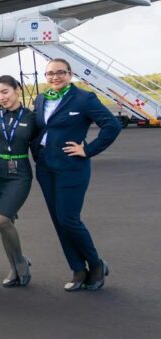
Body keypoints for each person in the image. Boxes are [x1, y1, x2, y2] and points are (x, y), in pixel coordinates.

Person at [34, 58, 121, 292]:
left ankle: (95, 264)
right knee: (57, 220)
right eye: (50, 74)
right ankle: (77, 269)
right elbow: (40, 127)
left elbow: (112, 126)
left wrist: (88, 149)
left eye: (60, 72)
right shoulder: (42, 99)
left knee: (68, 218)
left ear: (70, 74)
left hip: (71, 167)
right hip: (45, 167)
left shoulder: (84, 98)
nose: (55, 77)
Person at [0, 75, 38, 287]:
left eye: (5, 92)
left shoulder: (32, 117)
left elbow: (43, 145)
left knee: (1, 220)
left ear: (17, 89)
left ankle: (21, 262)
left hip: (19, 174)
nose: (1, 97)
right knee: (6, 224)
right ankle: (14, 268)